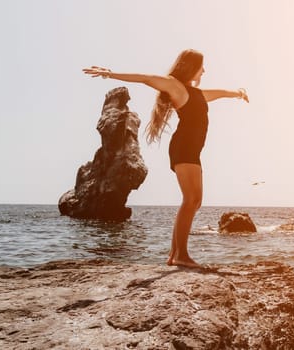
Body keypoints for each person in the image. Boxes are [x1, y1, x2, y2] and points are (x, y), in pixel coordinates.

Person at [83, 49, 249, 268]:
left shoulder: (195, 93)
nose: (205, 71)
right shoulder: (175, 86)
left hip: (192, 150)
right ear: (191, 66)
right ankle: (181, 255)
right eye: (202, 66)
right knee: (190, 201)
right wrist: (111, 74)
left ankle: (174, 255)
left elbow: (218, 93)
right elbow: (145, 78)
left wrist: (237, 93)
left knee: (195, 201)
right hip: (184, 148)